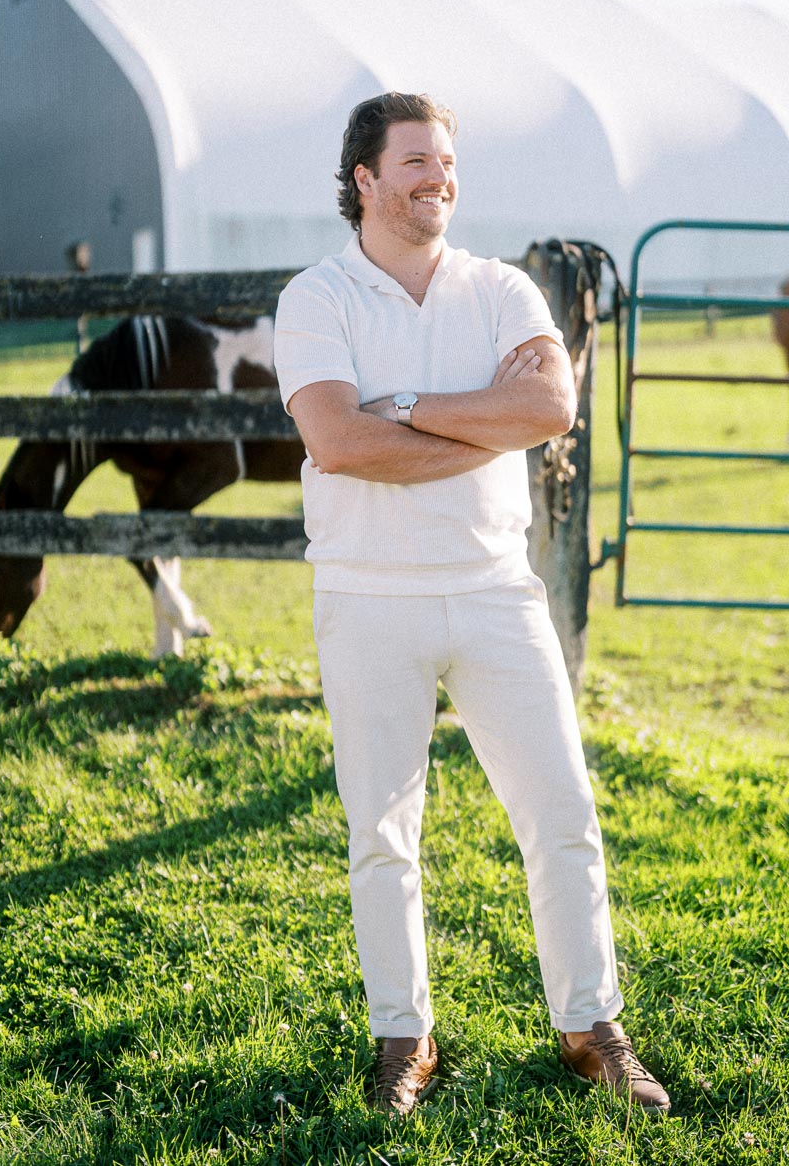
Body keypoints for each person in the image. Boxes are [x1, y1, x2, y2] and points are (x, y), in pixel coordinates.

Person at [273, 92, 670, 1117]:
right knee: (382, 834)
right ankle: (403, 1040)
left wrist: (405, 406)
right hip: (367, 599)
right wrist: (476, 428)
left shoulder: (500, 289)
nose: (438, 177)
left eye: (446, 161)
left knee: (563, 816)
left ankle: (593, 1029)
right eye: (415, 162)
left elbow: (548, 406)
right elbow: (338, 444)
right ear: (364, 177)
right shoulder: (317, 298)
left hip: (498, 592)